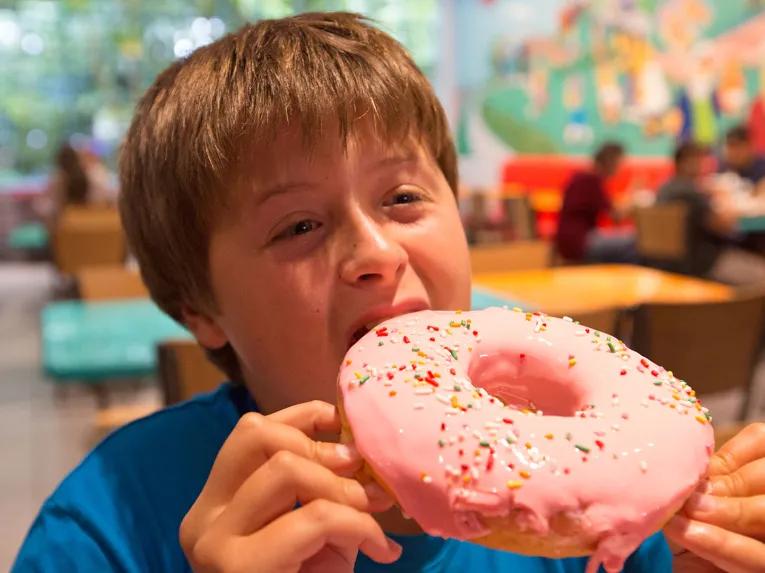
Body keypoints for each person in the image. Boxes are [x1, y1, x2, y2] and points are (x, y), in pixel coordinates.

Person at [14, 12, 765, 572]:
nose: (375, 251)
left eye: (403, 197)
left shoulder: (597, 510)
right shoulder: (104, 529)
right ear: (200, 307)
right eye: (299, 224)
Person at [656, 140, 765, 285]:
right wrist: (727, 204)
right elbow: (724, 225)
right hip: (702, 264)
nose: (703, 164)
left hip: (668, 263)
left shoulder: (666, 188)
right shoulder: (690, 193)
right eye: (699, 159)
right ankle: (747, 306)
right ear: (685, 162)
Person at [554, 142, 637, 264]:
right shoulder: (591, 181)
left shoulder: (581, 177)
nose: (619, 169)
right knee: (635, 242)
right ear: (610, 162)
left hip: (565, 241)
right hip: (580, 242)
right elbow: (616, 216)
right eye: (619, 164)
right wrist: (633, 195)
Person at [719, 124, 765, 192]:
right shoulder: (725, 168)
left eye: (737, 146)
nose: (733, 153)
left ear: (749, 146)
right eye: (730, 147)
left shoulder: (762, 167)